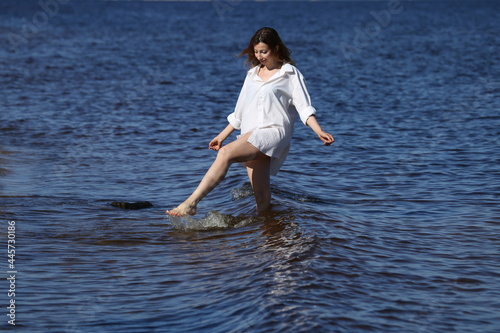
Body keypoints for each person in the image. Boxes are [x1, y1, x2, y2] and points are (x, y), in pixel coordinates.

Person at [167, 27, 334, 217]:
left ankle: (191, 203)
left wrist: (318, 131)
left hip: (273, 132)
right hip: (251, 134)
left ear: (276, 48)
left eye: (264, 51)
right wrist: (222, 135)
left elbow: (304, 107)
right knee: (261, 196)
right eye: (256, 51)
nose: (259, 56)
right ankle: (268, 236)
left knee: (226, 153)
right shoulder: (252, 74)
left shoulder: (290, 74)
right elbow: (240, 112)